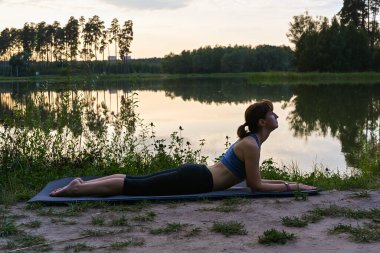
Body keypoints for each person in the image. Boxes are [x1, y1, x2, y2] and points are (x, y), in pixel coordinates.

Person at [50, 99, 316, 197]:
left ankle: (81, 184)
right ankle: (78, 188)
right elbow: (255, 187)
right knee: (136, 187)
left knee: (137, 182)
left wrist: (287, 181)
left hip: (197, 175)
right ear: (261, 122)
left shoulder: (252, 142)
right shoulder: (251, 145)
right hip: (197, 180)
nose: (277, 117)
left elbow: (253, 181)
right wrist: (293, 188)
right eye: (272, 114)